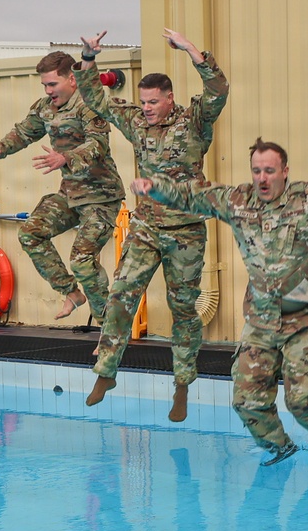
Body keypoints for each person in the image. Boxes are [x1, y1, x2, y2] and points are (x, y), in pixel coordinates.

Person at [131, 139, 308, 465]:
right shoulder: (238, 201)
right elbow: (194, 195)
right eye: (257, 171)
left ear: (285, 171)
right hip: (261, 321)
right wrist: (156, 187)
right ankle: (281, 448)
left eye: (270, 171)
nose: (262, 178)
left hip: (307, 320)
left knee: (301, 400)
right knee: (247, 400)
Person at [77, 28, 229, 423]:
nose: (145, 108)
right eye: (142, 102)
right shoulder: (135, 122)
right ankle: (106, 373)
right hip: (145, 228)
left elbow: (217, 91)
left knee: (182, 309)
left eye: (152, 102)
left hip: (185, 232)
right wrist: (89, 59)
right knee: (121, 294)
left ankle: (182, 385)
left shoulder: (194, 122)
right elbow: (95, 98)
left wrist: (193, 50)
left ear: (169, 99)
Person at [0, 51, 124, 322]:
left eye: (52, 85)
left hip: (101, 198)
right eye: (45, 85)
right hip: (70, 194)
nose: (48, 91)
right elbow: (24, 132)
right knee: (30, 233)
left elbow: (98, 144)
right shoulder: (45, 107)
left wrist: (65, 157)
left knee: (82, 260)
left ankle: (108, 327)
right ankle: (71, 292)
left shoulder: (89, 104)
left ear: (72, 79)